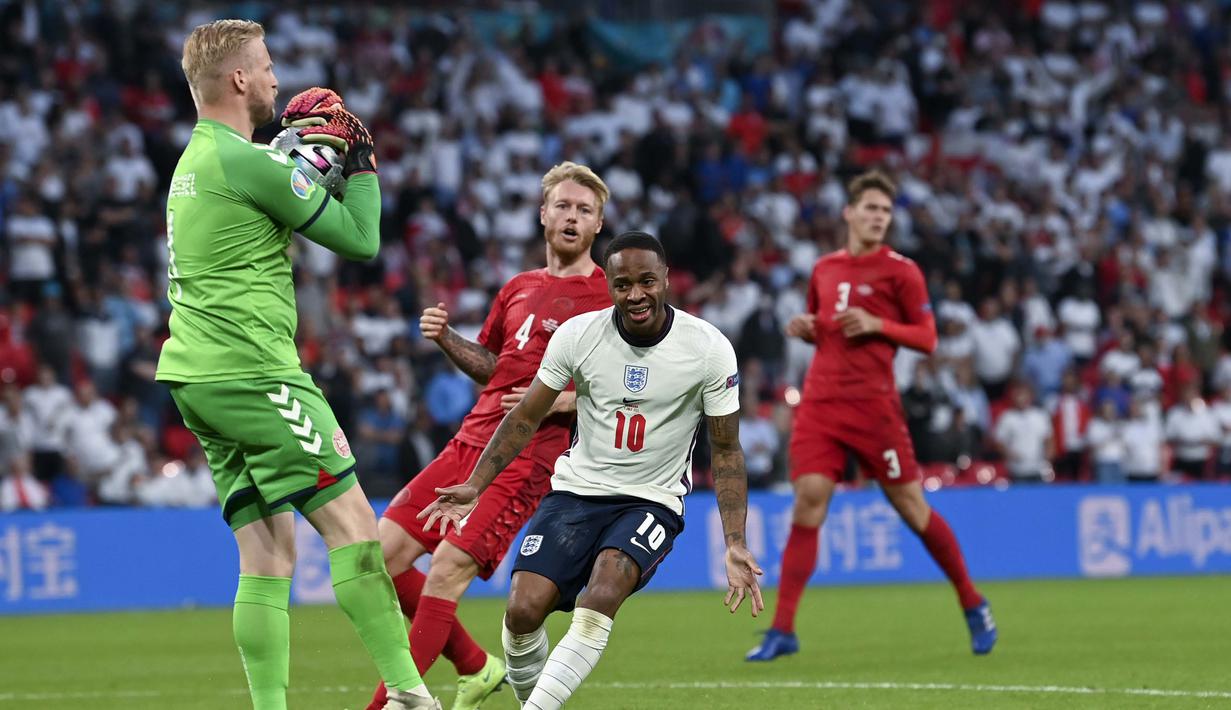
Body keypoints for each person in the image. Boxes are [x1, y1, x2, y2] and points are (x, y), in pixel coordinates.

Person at [154, 20, 437, 710]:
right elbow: (362, 241)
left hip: (196, 378)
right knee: (355, 531)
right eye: (268, 67)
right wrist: (362, 158)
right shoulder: (249, 164)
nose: (277, 80)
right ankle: (407, 693)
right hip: (255, 373)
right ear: (240, 79)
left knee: (267, 555)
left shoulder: (195, 163)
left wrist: (304, 168)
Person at [420, 231, 765, 709]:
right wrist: (476, 485)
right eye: (623, 284)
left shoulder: (708, 349)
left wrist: (733, 542)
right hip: (575, 492)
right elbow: (524, 415)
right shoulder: (578, 335)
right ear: (609, 285)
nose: (636, 294)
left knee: (600, 594)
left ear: (666, 278)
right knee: (521, 611)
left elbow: (726, 450)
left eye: (647, 281)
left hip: (652, 500)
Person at [365, 161, 614, 710]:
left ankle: (388, 704)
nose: (573, 217)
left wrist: (564, 401)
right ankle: (476, 667)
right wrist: (447, 339)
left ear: (598, 225)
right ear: (543, 214)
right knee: (378, 559)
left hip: (525, 460)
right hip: (466, 444)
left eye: (585, 210)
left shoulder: (607, 301)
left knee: (448, 569)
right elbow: (495, 367)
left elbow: (624, 392)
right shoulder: (518, 287)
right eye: (564, 206)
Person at [747, 170, 997, 662]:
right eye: (871, 209)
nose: (879, 218)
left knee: (910, 506)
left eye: (886, 211)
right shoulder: (825, 268)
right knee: (809, 499)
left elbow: (927, 338)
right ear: (850, 212)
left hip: (874, 406)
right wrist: (809, 327)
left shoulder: (902, 271)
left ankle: (972, 601)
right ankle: (783, 629)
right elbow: (830, 328)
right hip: (821, 402)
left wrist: (879, 324)